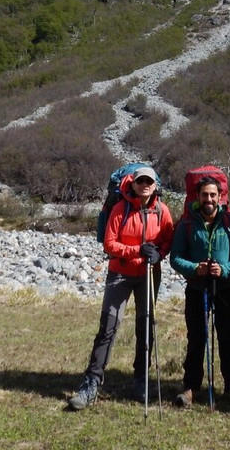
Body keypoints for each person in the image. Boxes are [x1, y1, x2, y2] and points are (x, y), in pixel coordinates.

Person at [68, 166, 174, 410]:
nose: (145, 184)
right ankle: (91, 382)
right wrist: (138, 251)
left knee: (145, 325)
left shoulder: (162, 210)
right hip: (120, 274)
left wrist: (159, 254)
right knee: (108, 327)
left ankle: (141, 379)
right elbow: (109, 244)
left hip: (148, 273)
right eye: (141, 181)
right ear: (133, 184)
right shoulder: (120, 208)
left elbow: (168, 237)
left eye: (149, 181)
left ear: (155, 185)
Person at [169, 174, 230, 411]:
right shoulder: (187, 223)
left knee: (227, 338)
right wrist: (195, 268)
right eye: (205, 195)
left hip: (223, 288)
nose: (209, 199)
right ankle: (191, 386)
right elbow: (175, 258)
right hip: (196, 288)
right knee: (196, 338)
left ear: (220, 196)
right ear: (198, 196)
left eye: (213, 195)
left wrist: (224, 270)